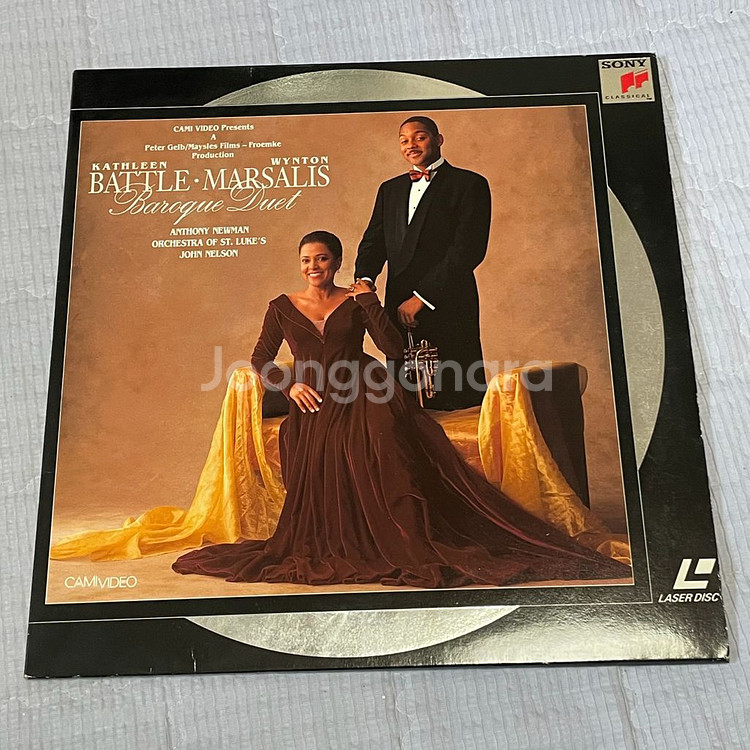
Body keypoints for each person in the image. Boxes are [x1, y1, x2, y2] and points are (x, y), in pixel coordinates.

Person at [172, 231, 629, 587]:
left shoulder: (355, 300)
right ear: (300, 264)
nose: (314, 267)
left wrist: (369, 302)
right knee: (316, 442)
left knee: (382, 437)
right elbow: (260, 359)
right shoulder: (281, 306)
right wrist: (289, 388)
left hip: (366, 385)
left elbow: (392, 348)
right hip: (312, 394)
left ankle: (405, 535)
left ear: (337, 262)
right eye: (307, 260)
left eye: (323, 259)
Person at [354, 116, 491, 410]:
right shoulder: (389, 189)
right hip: (396, 304)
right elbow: (374, 241)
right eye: (404, 140)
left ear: (438, 140)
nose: (411, 145)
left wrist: (422, 298)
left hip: (448, 302)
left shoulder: (470, 184)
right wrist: (365, 278)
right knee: (406, 401)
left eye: (419, 137)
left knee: (455, 393)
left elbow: (468, 250)